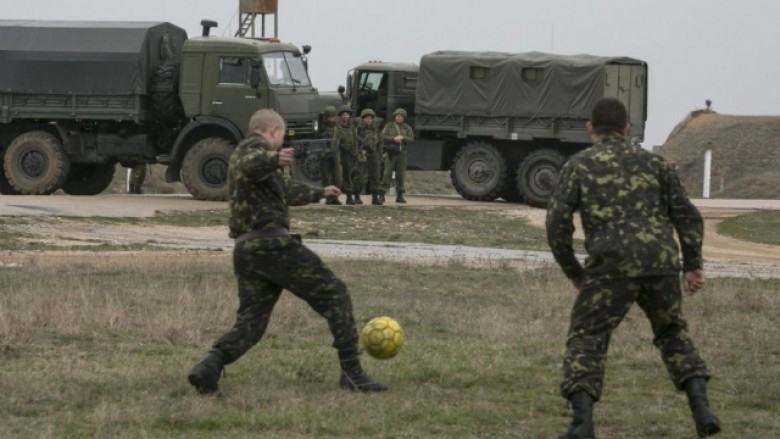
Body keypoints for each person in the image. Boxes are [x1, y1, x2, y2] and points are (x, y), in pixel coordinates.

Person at [546, 98, 721, 439]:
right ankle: (702, 409)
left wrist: (573, 271)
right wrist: (692, 265)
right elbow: (687, 216)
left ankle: (582, 424)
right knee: (673, 334)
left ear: (590, 128)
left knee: (587, 339)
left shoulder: (579, 165)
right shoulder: (656, 163)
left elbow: (556, 224)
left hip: (610, 267)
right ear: (627, 129)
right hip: (661, 264)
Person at [187, 109, 387, 396]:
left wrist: (320, 192)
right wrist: (274, 158)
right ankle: (352, 373)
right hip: (273, 247)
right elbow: (250, 163)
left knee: (251, 325)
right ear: (272, 132)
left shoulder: (259, 163)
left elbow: (286, 190)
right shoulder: (251, 150)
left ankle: (209, 366)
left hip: (247, 250)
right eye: (280, 138)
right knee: (336, 293)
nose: (281, 144)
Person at [379, 108, 414, 203]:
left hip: (402, 154)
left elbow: (411, 139)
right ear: (395, 117)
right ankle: (382, 194)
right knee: (387, 174)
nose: (399, 118)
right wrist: (393, 139)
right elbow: (382, 137)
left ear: (404, 118)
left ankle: (399, 196)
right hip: (391, 153)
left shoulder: (407, 127)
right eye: (398, 116)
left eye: (401, 116)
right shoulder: (389, 126)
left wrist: (403, 138)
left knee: (400, 175)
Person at [356, 108, 383, 205]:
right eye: (366, 118)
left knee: (375, 175)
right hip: (362, 154)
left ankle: (375, 197)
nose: (368, 120)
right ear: (363, 119)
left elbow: (380, 142)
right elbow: (354, 141)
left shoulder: (376, 129)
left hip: (373, 154)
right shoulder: (358, 129)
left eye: (370, 118)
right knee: (359, 175)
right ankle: (357, 196)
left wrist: (380, 154)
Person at [333, 105, 359, 205]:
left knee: (348, 174)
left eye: (347, 115)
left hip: (349, 154)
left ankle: (349, 196)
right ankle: (334, 197)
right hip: (339, 153)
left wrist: (355, 152)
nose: (345, 116)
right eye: (343, 115)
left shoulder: (352, 127)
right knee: (337, 176)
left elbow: (355, 140)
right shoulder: (337, 126)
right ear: (340, 116)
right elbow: (336, 140)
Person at [319, 105, 342, 205]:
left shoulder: (337, 127)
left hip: (335, 154)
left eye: (333, 117)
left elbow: (343, 139)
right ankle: (329, 198)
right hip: (324, 155)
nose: (331, 119)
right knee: (326, 178)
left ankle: (335, 198)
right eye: (329, 117)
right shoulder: (321, 128)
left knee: (337, 177)